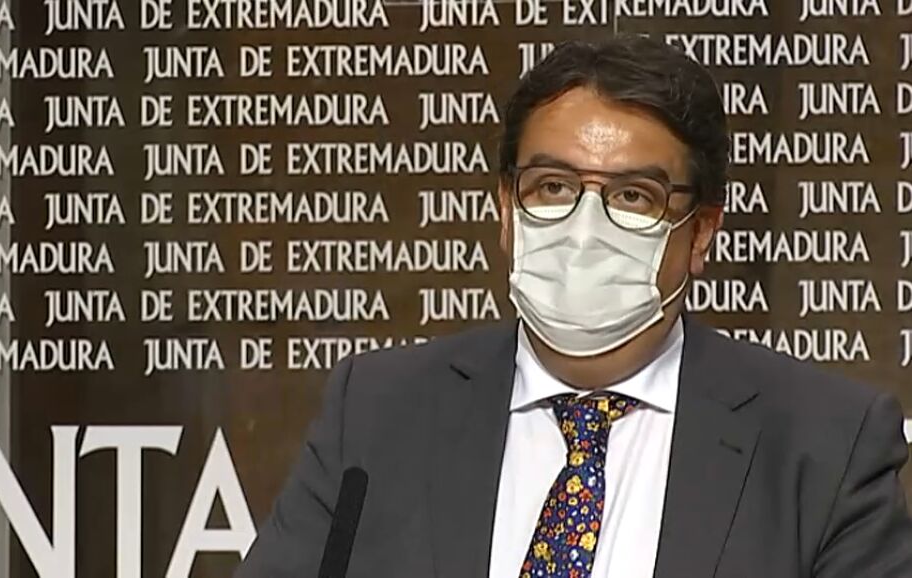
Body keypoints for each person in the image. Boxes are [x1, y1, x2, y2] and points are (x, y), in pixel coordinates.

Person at [235, 35, 912, 578]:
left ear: (702, 231)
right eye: (553, 187)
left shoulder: (824, 446)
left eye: (633, 196)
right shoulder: (380, 411)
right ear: (507, 210)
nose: (584, 231)